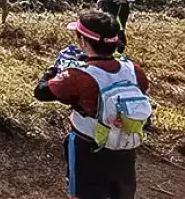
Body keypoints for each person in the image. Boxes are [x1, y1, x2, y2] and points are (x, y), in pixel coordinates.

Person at [34, 10, 152, 199]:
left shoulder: (78, 75)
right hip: (126, 147)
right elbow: (142, 89)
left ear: (82, 42)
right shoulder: (133, 69)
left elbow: (40, 92)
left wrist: (53, 70)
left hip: (88, 148)